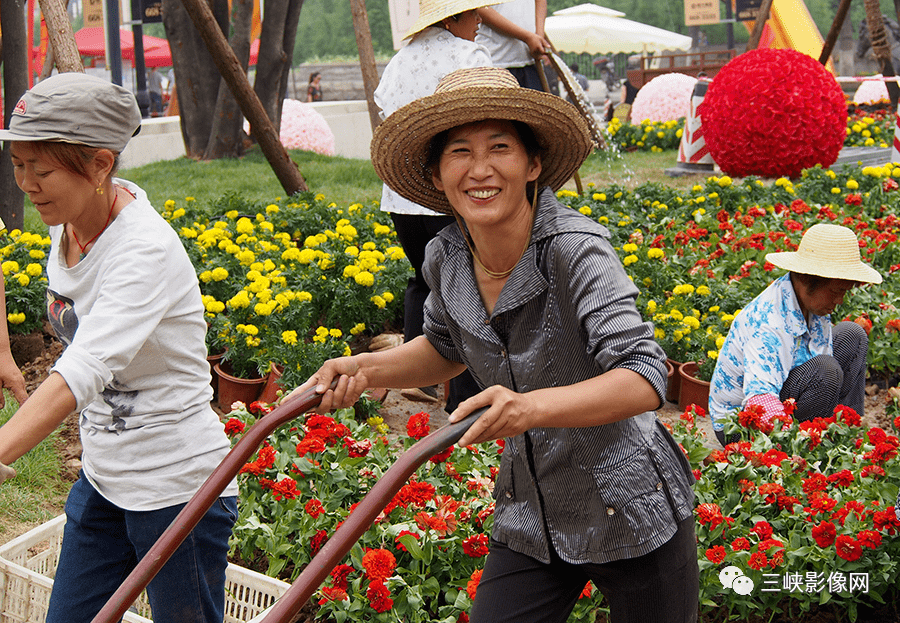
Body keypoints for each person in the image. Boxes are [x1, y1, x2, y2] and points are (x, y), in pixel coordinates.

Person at [299, 66, 699, 623]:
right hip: (531, 508)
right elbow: (445, 345)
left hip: (630, 502)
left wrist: (528, 407)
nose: (480, 169)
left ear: (533, 164)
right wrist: (366, 368)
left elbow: (645, 376)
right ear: (437, 175)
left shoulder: (576, 252)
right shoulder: (447, 256)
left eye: (500, 148)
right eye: (459, 151)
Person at [0, 73, 238, 623]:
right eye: (19, 165)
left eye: (43, 168)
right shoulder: (68, 226)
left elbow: (82, 367)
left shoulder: (144, 251)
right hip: (105, 478)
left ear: (101, 165)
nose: (27, 183)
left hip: (178, 490)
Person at [372, 0, 502, 407]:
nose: (480, 20)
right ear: (451, 18)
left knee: (422, 278)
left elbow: (383, 107)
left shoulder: (401, 58)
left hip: (403, 193)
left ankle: (416, 376)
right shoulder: (469, 56)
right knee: (470, 291)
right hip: (451, 191)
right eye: (473, 14)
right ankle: (464, 396)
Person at [709, 223, 881, 446]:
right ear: (808, 279)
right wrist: (799, 438)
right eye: (836, 292)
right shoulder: (769, 322)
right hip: (743, 426)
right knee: (826, 372)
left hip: (789, 387)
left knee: (853, 335)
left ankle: (842, 435)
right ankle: (801, 449)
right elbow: (759, 401)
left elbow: (822, 353)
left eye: (844, 292)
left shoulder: (813, 303)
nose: (839, 301)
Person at [476, 0, 551, 90]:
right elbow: (478, 6)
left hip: (530, 61)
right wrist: (528, 37)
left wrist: (539, 36)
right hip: (494, 63)